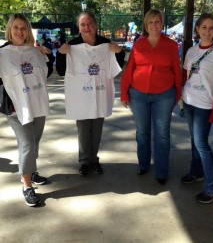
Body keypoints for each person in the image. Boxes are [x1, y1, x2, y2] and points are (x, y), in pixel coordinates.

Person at [56, 11, 125, 177]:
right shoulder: (72, 45)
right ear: (78, 27)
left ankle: (94, 160)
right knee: (84, 130)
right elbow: (60, 71)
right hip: (81, 95)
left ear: (96, 25)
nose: (87, 27)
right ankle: (84, 162)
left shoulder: (106, 44)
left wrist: (119, 52)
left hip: (100, 94)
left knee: (97, 129)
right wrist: (60, 54)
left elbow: (116, 67)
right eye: (83, 24)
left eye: (90, 24)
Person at [120, 9, 182, 185]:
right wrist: (124, 93)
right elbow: (129, 69)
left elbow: (176, 71)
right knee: (142, 131)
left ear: (162, 23)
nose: (154, 25)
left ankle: (162, 170)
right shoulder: (138, 45)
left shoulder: (171, 45)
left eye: (157, 22)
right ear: (146, 25)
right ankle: (143, 164)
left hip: (164, 95)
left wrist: (178, 93)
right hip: (138, 95)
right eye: (150, 23)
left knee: (162, 134)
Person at [0, 13, 53, 207]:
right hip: (16, 107)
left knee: (35, 141)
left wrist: (47, 54)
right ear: (10, 29)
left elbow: (46, 71)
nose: (20, 31)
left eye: (23, 28)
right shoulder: (3, 53)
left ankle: (32, 171)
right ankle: (26, 186)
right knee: (27, 144)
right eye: (16, 27)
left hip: (36, 102)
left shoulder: (35, 50)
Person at [181, 13, 213, 203]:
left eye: (212, 27)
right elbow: (185, 77)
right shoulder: (191, 51)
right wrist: (181, 99)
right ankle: (196, 171)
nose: (207, 31)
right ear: (197, 29)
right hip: (189, 101)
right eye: (204, 27)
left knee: (202, 144)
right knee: (194, 140)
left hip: (205, 105)